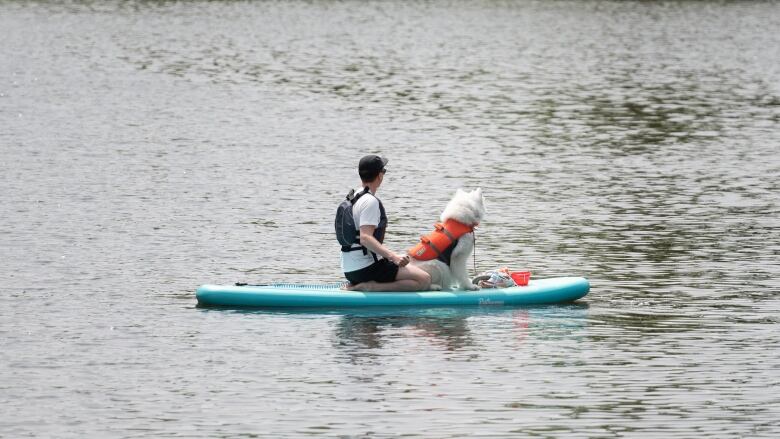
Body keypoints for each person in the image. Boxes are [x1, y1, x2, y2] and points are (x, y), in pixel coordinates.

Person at [341, 155, 431, 291]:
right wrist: (393, 257)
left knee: (407, 261)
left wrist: (392, 256)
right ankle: (371, 286)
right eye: (384, 171)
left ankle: (363, 282)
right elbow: (365, 238)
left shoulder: (355, 197)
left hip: (349, 269)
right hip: (365, 269)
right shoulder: (370, 202)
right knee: (424, 280)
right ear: (379, 176)